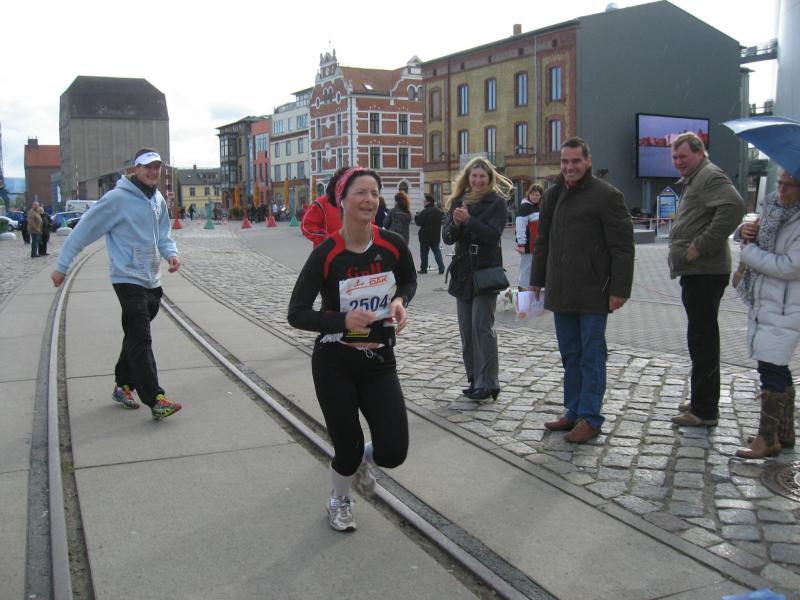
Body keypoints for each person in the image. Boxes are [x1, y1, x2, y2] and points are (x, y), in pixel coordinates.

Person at [287, 166, 416, 532]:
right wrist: (342, 320)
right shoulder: (326, 253)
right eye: (360, 192)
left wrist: (401, 301)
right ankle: (340, 499)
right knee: (347, 447)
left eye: (374, 193)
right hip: (335, 362)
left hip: (378, 359)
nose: (369, 199)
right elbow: (296, 313)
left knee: (393, 451)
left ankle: (363, 462)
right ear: (342, 200)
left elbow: (408, 279)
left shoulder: (392, 244)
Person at [50, 148, 183, 421]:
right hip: (126, 278)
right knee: (141, 338)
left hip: (151, 279)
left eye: (157, 167)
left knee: (134, 335)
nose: (153, 172)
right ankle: (155, 398)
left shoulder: (158, 199)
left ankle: (123, 385)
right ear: (136, 169)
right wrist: (62, 266)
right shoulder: (116, 199)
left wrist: (171, 254)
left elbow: (163, 234)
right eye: (147, 167)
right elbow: (83, 231)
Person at [532, 137, 635, 443]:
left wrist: (619, 289)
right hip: (561, 289)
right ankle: (574, 409)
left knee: (591, 355)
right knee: (570, 354)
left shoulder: (607, 195)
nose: (570, 167)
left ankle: (590, 417)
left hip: (594, 291)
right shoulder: (552, 195)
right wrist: (537, 279)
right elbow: (543, 241)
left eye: (576, 161)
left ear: (588, 161)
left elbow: (622, 247)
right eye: (565, 161)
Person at [668, 132, 745, 427]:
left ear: (700, 152)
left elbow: (734, 207)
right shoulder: (696, 177)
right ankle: (702, 398)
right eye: (675, 157)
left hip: (705, 271)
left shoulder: (709, 175)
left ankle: (705, 410)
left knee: (703, 340)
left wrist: (700, 246)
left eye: (683, 156)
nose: (678, 162)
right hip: (698, 272)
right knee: (700, 339)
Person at [734, 169, 800, 458]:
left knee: (771, 368)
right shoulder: (773, 211)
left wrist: (749, 252)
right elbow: (755, 236)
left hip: (786, 306)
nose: (781, 190)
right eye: (780, 183)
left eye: (790, 185)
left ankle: (767, 439)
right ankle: (783, 432)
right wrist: (745, 232)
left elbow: (790, 266)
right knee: (775, 367)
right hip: (767, 301)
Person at [442, 157, 511, 402]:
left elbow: (493, 235)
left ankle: (489, 382)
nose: (478, 180)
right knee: (466, 329)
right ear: (468, 178)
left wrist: (469, 221)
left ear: (489, 178)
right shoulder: (458, 201)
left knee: (481, 327)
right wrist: (456, 224)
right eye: (474, 176)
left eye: (482, 176)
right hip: (463, 271)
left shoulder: (497, 203)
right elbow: (448, 237)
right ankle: (473, 379)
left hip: (485, 271)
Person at [301, 167, 347, 248]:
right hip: (327, 251)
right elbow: (306, 225)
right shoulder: (322, 203)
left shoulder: (359, 204)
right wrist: (326, 239)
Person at [515, 183, 543, 290]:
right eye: (532, 194)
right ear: (528, 194)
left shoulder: (538, 207)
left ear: (541, 196)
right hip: (528, 246)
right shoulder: (525, 207)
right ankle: (523, 292)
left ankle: (532, 292)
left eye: (537, 195)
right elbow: (520, 227)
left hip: (538, 245)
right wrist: (521, 244)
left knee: (535, 269)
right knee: (526, 269)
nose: (534, 197)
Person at [414, 193, 445, 274]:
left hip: (425, 236)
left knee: (424, 253)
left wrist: (416, 216)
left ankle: (424, 269)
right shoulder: (438, 211)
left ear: (428, 202)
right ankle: (441, 268)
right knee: (437, 251)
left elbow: (419, 222)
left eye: (424, 201)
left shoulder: (424, 211)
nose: (423, 202)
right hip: (435, 235)